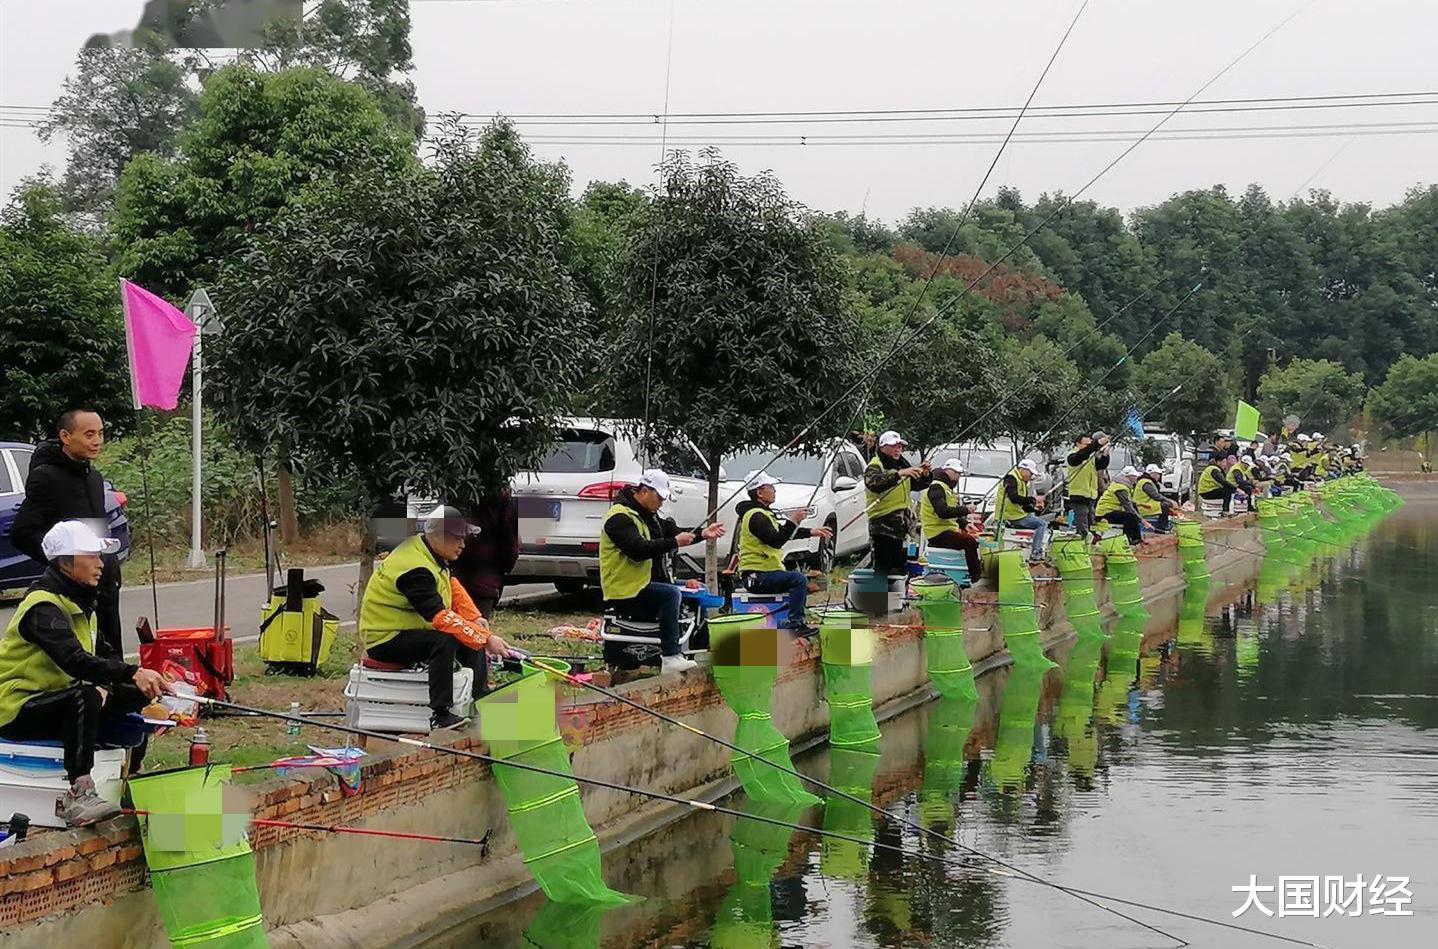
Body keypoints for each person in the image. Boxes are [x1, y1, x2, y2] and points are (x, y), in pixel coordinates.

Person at [0, 521, 171, 827]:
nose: (100, 564)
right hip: (14, 708)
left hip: (51, 700)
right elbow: (74, 661)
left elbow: (106, 659)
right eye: (90, 556)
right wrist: (131, 673)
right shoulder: (42, 607)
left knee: (134, 695)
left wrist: (151, 683)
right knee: (85, 696)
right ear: (65, 563)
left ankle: (130, 774)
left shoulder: (80, 605)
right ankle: (79, 793)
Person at [360, 506, 517, 729]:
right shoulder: (413, 568)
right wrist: (486, 638)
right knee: (443, 641)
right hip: (384, 638)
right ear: (436, 535)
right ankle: (441, 714)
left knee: (467, 637)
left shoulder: (428, 552)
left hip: (408, 630)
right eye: (457, 538)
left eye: (464, 538)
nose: (463, 544)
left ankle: (481, 699)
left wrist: (474, 619)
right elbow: (439, 617)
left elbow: (451, 586)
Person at [11, 411, 124, 660]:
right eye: (89, 434)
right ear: (65, 436)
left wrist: (111, 567)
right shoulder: (46, 477)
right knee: (83, 659)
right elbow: (23, 532)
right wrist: (65, 564)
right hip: (72, 591)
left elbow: (97, 530)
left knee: (112, 656)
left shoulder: (94, 477)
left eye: (100, 433)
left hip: (104, 583)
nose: (97, 441)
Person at [599, 470, 724, 674]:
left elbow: (674, 533)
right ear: (645, 490)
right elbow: (638, 550)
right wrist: (675, 542)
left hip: (642, 586)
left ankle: (704, 654)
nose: (662, 502)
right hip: (624, 593)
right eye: (659, 497)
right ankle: (670, 656)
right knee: (670, 594)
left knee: (693, 594)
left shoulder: (649, 516)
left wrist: (702, 534)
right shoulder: (619, 518)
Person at [734, 470, 831, 637]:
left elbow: (780, 531)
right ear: (759, 492)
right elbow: (776, 539)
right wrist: (793, 520)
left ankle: (791, 619)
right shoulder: (756, 516)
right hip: (756, 577)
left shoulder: (761, 513)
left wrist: (811, 531)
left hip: (763, 574)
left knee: (803, 581)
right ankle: (795, 624)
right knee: (798, 579)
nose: (774, 491)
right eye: (771, 487)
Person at [863, 431, 931, 577]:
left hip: (899, 526)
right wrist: (899, 474)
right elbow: (874, 483)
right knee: (882, 568)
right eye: (893, 446)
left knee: (897, 568)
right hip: (882, 525)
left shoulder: (901, 465)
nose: (898, 450)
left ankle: (894, 598)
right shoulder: (876, 465)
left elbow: (916, 485)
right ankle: (877, 599)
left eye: (900, 446)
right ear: (882, 448)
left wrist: (925, 475)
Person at [451, 489, 519, 619]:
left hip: (456, 574)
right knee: (478, 630)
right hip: (484, 577)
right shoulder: (500, 495)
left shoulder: (455, 487)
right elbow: (509, 540)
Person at [920, 458, 984, 582]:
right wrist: (966, 509)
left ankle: (971, 574)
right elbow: (943, 512)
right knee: (969, 542)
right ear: (949, 471)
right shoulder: (937, 488)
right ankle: (976, 578)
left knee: (971, 539)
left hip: (944, 530)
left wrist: (964, 524)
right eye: (957, 473)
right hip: (937, 533)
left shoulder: (945, 488)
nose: (958, 477)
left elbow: (951, 513)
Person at [994, 459, 1049, 564]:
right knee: (1041, 524)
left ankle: (1035, 551)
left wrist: (1034, 508)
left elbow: (1020, 504)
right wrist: (1034, 499)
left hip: (1015, 514)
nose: (1031, 476)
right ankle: (1036, 553)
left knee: (1039, 520)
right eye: (1030, 473)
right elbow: (1014, 498)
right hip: (1009, 516)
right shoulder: (1011, 478)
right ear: (1023, 469)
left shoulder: (1021, 481)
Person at [1065, 432, 1110, 538]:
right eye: (1086, 445)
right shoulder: (1073, 456)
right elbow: (1082, 455)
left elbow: (1101, 466)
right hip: (1078, 494)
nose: (1088, 447)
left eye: (1090, 444)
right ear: (1077, 444)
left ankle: (1090, 542)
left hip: (1090, 495)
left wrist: (1105, 455)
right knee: (1082, 522)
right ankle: (1082, 542)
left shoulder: (1090, 458)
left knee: (1091, 521)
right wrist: (1096, 444)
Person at [1094, 465, 1148, 545]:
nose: (1136, 479)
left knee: (1132, 512)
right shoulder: (1120, 488)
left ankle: (1137, 537)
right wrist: (1142, 520)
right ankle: (1129, 539)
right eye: (1135, 477)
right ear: (1129, 477)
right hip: (1104, 513)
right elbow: (1127, 507)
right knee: (1130, 516)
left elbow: (1130, 504)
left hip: (1110, 511)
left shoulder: (1121, 486)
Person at [1135, 464, 1180, 532]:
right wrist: (1171, 501)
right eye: (1158, 474)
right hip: (1142, 505)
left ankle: (1164, 525)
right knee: (1166, 505)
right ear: (1152, 474)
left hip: (1145, 504)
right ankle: (1161, 527)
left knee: (1165, 504)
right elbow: (1156, 496)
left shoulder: (1145, 481)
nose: (1159, 476)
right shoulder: (1146, 483)